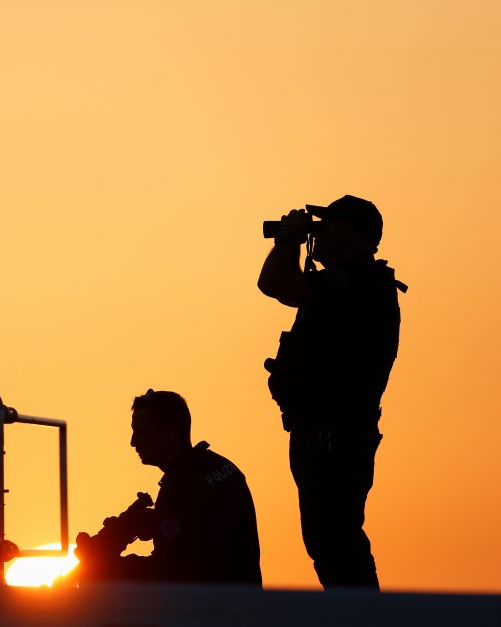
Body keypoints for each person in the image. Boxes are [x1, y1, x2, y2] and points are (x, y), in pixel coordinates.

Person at [257, 194, 406, 590]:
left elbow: (272, 283)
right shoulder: (343, 284)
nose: (317, 233)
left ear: (354, 236)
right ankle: (357, 615)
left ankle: (363, 619)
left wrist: (288, 242)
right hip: (319, 435)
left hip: (334, 440)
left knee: (336, 543)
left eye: (328, 226)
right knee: (328, 543)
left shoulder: (356, 283)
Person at [74, 390, 262, 586]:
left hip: (211, 610)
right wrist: (154, 523)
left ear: (168, 435)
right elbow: (199, 536)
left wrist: (104, 566)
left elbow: (168, 571)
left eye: (140, 432)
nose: (133, 442)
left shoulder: (180, 486)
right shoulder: (221, 467)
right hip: (243, 603)